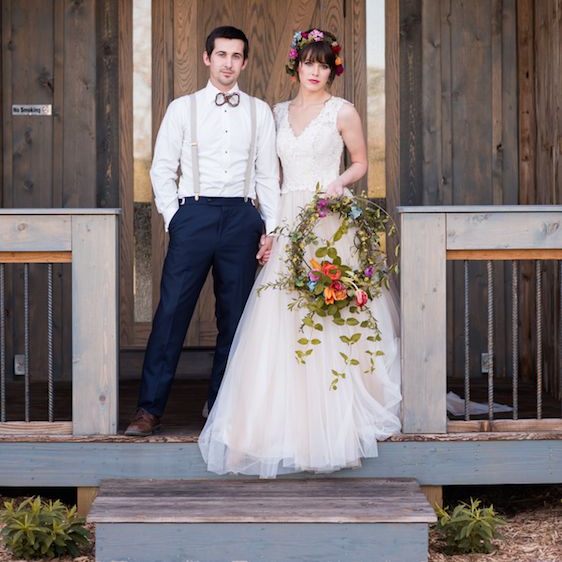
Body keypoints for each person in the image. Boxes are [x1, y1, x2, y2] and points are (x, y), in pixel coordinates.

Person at [199, 27, 401, 476]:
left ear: (332, 69)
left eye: (324, 64)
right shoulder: (275, 113)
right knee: (281, 313)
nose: (316, 71)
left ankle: (335, 418)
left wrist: (341, 182)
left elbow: (361, 161)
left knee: (334, 311)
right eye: (309, 63)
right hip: (289, 217)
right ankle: (276, 422)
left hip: (329, 216)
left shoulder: (342, 111)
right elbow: (266, 174)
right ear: (296, 66)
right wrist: (269, 229)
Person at [125, 26, 279, 436]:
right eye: (221, 54)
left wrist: (273, 229)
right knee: (172, 313)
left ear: (245, 62)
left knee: (236, 318)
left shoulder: (259, 111)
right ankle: (149, 409)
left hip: (243, 219)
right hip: (193, 215)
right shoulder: (182, 108)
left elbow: (267, 176)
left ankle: (221, 405)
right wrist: (174, 216)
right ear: (207, 58)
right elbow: (161, 168)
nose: (228, 63)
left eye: (236, 56)